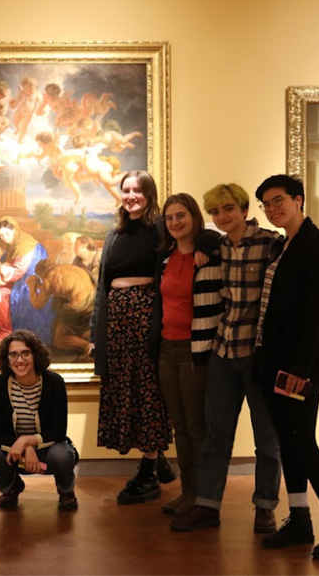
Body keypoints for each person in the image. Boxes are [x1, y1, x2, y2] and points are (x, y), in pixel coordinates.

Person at [252, 175, 319, 560]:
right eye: (266, 204)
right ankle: (299, 519)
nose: (272, 209)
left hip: (298, 367)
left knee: (302, 442)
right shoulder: (284, 244)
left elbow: (316, 313)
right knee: (288, 442)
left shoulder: (314, 244)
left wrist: (300, 366)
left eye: (278, 201)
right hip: (273, 362)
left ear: (298, 200)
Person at [171, 183, 281, 534]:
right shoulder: (216, 246)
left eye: (229, 209)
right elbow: (200, 239)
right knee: (217, 435)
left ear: (245, 209)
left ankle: (265, 507)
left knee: (266, 437)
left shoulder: (270, 242)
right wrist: (204, 246)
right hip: (223, 350)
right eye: (216, 212)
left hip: (257, 355)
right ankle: (208, 506)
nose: (222, 217)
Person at [89, 170, 174, 505]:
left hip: (145, 319)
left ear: (149, 194)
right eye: (126, 190)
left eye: (138, 190)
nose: (131, 195)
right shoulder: (115, 233)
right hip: (116, 320)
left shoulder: (161, 229)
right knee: (123, 388)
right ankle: (155, 458)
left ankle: (150, 465)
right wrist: (97, 330)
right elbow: (101, 285)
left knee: (146, 390)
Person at [151, 193, 220, 518]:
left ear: (193, 217)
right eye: (170, 218)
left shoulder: (210, 254)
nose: (175, 222)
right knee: (178, 425)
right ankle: (187, 491)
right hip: (168, 350)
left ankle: (204, 497)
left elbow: (217, 235)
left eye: (181, 215)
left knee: (196, 426)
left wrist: (205, 242)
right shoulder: (165, 259)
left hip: (195, 352)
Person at [0, 330, 79, 511]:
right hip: (14, 451)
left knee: (62, 455)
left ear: (35, 355)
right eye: (13, 355)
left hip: (48, 450)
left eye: (25, 353)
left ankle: (66, 491)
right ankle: (11, 488)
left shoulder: (54, 382)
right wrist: (24, 447)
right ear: (6, 358)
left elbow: (58, 430)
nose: (19, 360)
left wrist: (28, 441)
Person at [0, 216, 54, 343]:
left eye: (7, 233)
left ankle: (12, 331)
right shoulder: (12, 244)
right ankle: (3, 328)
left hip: (33, 276)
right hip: (20, 274)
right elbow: (6, 261)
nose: (4, 237)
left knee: (19, 296)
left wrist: (2, 271)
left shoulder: (25, 246)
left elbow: (19, 270)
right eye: (1, 234)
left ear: (15, 231)